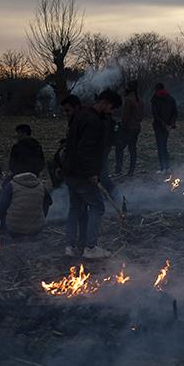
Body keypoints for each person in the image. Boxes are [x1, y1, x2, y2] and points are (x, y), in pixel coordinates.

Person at [63, 89, 121, 259]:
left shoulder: (80, 115)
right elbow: (85, 150)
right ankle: (91, 247)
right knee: (97, 207)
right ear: (105, 102)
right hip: (82, 174)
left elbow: (71, 144)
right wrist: (91, 174)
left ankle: (70, 246)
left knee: (75, 208)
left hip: (70, 171)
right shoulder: (93, 121)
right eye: (111, 108)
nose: (111, 112)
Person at [0, 170, 52, 236]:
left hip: (14, 230)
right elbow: (49, 202)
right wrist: (42, 216)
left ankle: (6, 234)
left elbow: (2, 208)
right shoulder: (41, 186)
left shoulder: (11, 185)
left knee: (2, 213)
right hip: (36, 229)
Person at [115, 81, 143, 176]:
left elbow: (125, 116)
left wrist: (122, 126)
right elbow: (141, 116)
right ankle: (131, 170)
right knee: (132, 148)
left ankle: (118, 170)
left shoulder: (128, 99)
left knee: (119, 148)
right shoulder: (139, 100)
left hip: (128, 128)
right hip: (136, 128)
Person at [150, 82, 177, 174]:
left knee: (160, 147)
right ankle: (167, 167)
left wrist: (164, 124)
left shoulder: (155, 99)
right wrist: (171, 123)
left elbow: (155, 114)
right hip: (167, 127)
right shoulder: (171, 99)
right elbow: (175, 113)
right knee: (164, 146)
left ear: (156, 89)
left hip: (159, 126)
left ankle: (163, 168)